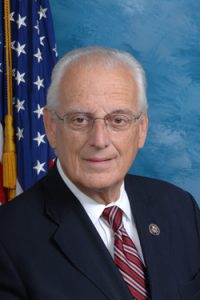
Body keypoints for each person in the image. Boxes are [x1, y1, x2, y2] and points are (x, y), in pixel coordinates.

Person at [0, 47, 200, 300]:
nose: (99, 140)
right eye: (80, 120)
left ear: (141, 129)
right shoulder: (7, 239)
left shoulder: (180, 208)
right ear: (51, 127)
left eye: (118, 120)